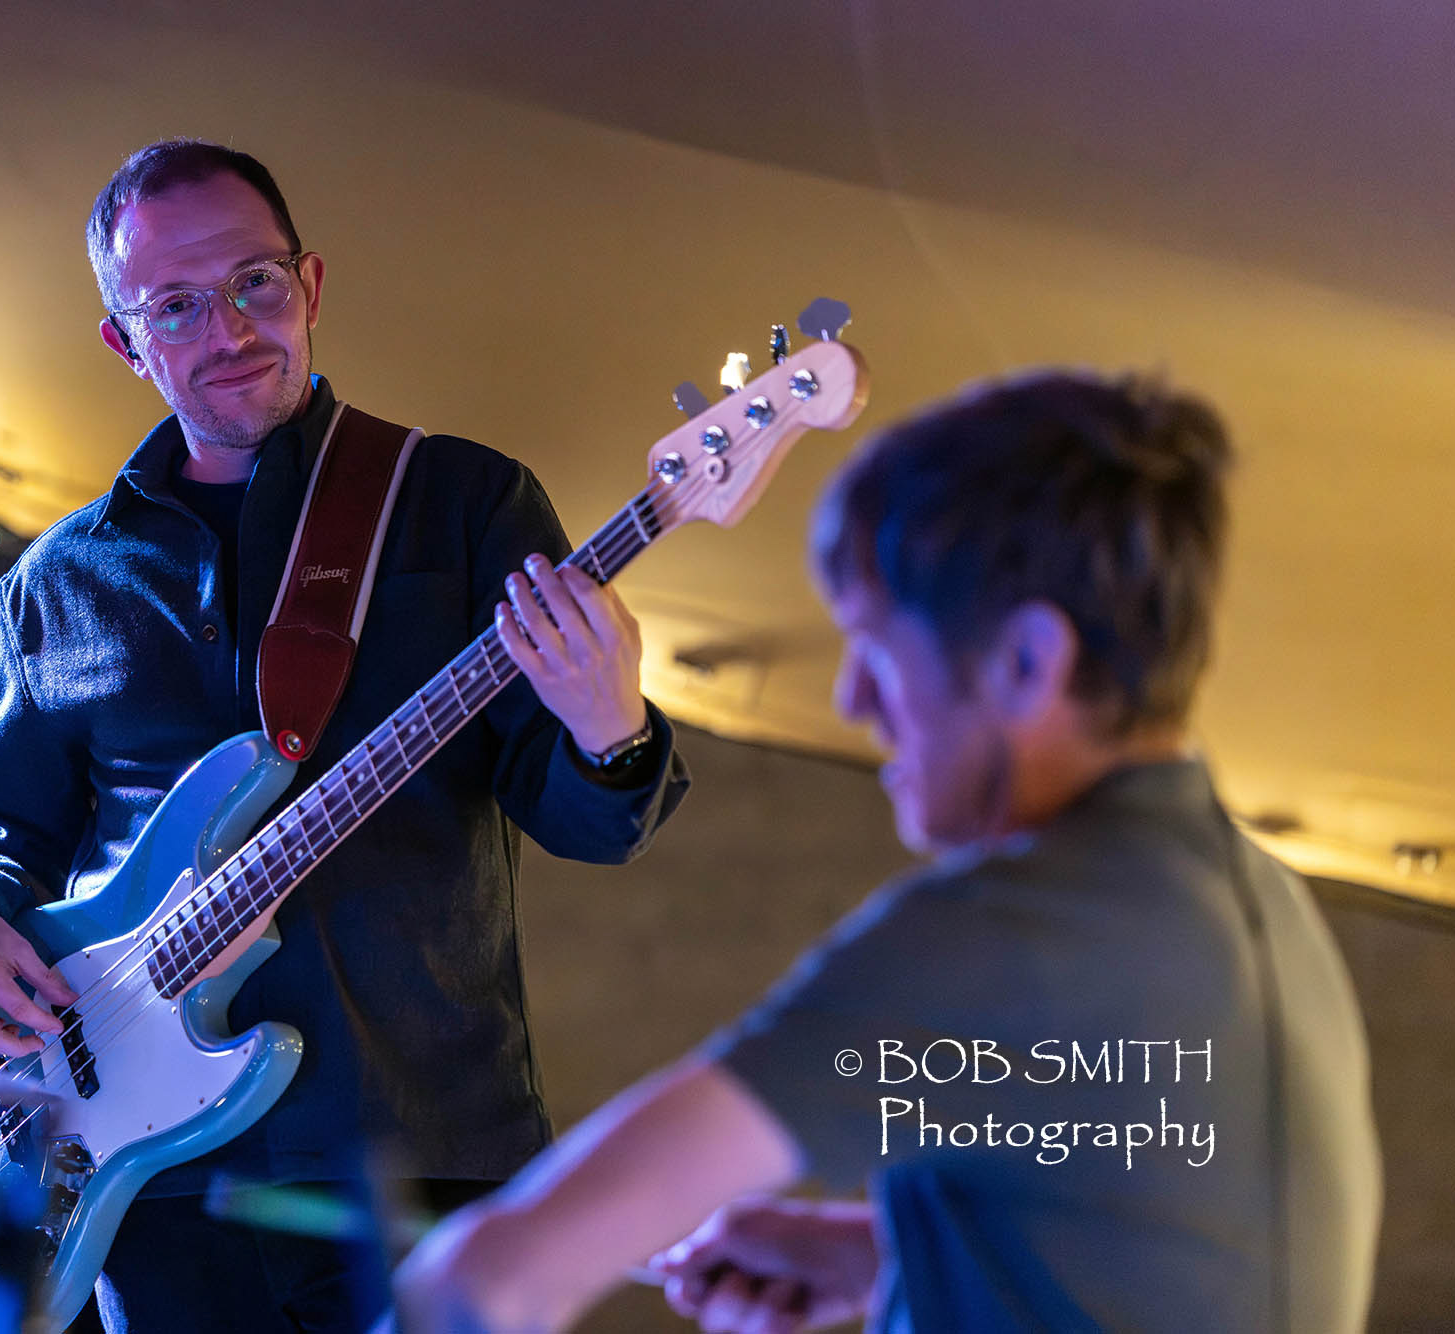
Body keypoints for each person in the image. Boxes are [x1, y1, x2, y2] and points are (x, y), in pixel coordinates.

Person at [387, 371, 1383, 1333]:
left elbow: (490, 1279)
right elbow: (1163, 1220)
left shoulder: (1009, 934)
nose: (852, 699)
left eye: (875, 645)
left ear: (1028, 660)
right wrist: (878, 1256)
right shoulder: (1259, 909)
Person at [0, 139, 689, 1332]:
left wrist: (605, 722)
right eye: (175, 305)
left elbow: (591, 821)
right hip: (150, 1184)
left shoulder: (460, 502)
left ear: (308, 284)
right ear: (124, 341)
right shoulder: (57, 581)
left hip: (413, 1145)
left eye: (253, 283)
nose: (228, 329)